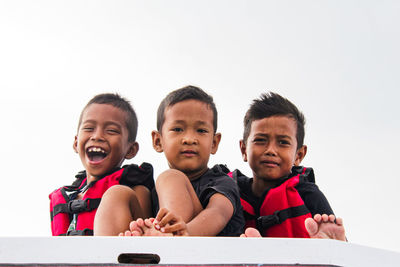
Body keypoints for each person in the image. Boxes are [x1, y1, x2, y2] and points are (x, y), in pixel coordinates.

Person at [122, 85, 245, 237]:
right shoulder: (154, 193)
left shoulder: (222, 182)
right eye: (178, 129)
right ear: (158, 141)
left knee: (170, 177)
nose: (189, 139)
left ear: (214, 143)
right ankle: (109, 255)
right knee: (119, 194)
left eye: (201, 131)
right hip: (159, 250)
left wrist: (183, 232)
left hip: (206, 254)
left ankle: (171, 236)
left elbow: (218, 213)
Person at [232, 92, 345, 240]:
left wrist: (336, 242)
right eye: (260, 140)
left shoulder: (309, 194)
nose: (271, 150)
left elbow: (343, 255)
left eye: (283, 142)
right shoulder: (228, 193)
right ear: (243, 149)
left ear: (299, 155)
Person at [49, 93, 154, 236]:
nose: (97, 136)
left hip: (113, 256)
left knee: (119, 194)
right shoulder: (68, 196)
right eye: (89, 128)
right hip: (70, 258)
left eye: (111, 131)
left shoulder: (136, 191)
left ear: (131, 149)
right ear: (76, 142)